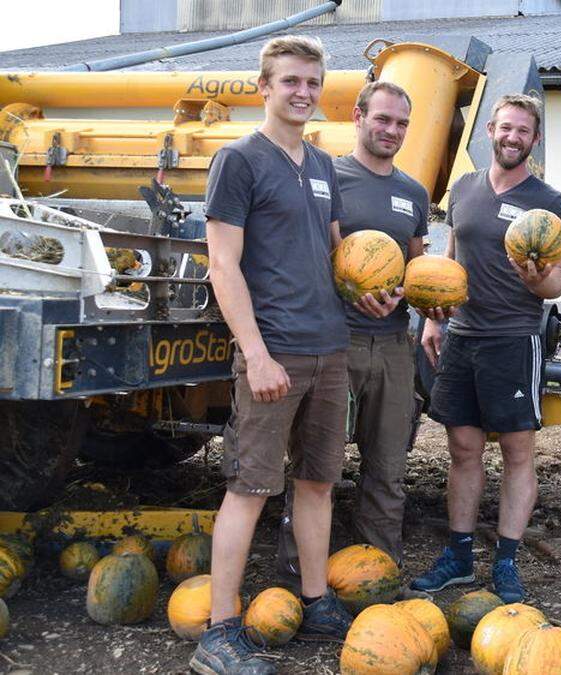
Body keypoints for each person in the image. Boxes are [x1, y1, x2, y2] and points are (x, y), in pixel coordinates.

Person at [193, 35, 353, 675]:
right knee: (251, 485)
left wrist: (372, 293)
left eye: (312, 82)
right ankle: (220, 629)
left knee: (317, 482)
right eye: (290, 81)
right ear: (264, 86)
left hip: (329, 347)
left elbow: (338, 257)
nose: (303, 92)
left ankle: (314, 601)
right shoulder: (238, 160)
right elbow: (222, 265)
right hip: (274, 352)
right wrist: (254, 354)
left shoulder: (321, 165)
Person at [410, 94, 561, 603]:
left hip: (513, 338)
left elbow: (558, 286)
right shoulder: (463, 189)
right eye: (505, 128)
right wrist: (434, 320)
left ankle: (506, 559)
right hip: (462, 336)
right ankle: (458, 555)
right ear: (490, 132)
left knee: (517, 452)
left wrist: (539, 276)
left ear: (535, 139)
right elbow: (451, 256)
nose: (512, 137)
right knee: (462, 449)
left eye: (522, 131)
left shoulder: (549, 202)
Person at [276, 80, 428, 577]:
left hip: (392, 345)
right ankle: (300, 574)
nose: (392, 130)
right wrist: (346, 289)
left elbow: (417, 267)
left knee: (388, 468)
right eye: (383, 119)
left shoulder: (413, 192)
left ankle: (377, 573)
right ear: (359, 117)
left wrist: (425, 301)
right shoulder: (327, 176)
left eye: (402, 123)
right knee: (315, 466)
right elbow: (307, 257)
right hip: (332, 343)